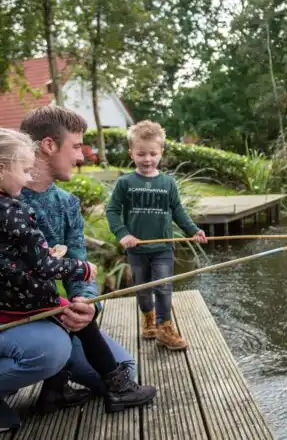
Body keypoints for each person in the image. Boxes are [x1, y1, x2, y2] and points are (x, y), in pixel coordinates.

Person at [0, 128, 156, 421]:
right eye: (76, 146)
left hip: (31, 299)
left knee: (124, 365)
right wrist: (76, 267)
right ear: (48, 145)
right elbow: (49, 265)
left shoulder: (67, 203)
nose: (80, 155)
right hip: (16, 307)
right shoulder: (15, 206)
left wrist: (86, 303)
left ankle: (55, 389)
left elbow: (68, 262)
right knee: (52, 348)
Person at [106, 120, 207, 351]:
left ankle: (164, 326)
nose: (147, 159)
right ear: (131, 152)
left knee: (163, 286)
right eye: (141, 153)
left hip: (163, 248)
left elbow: (178, 211)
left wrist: (193, 230)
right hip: (137, 250)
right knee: (143, 289)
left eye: (153, 153)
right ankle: (148, 318)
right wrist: (123, 234)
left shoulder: (168, 183)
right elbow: (112, 211)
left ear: (161, 152)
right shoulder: (125, 183)